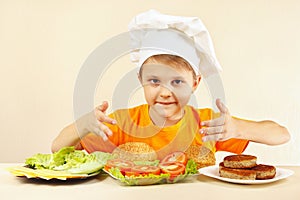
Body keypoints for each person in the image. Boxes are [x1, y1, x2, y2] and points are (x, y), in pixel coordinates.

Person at [51, 10, 290, 160]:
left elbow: (281, 135)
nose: (165, 92)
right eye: (154, 81)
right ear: (140, 81)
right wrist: (83, 124)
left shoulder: (208, 125)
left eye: (177, 82)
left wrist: (237, 128)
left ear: (195, 83)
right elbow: (56, 147)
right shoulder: (123, 123)